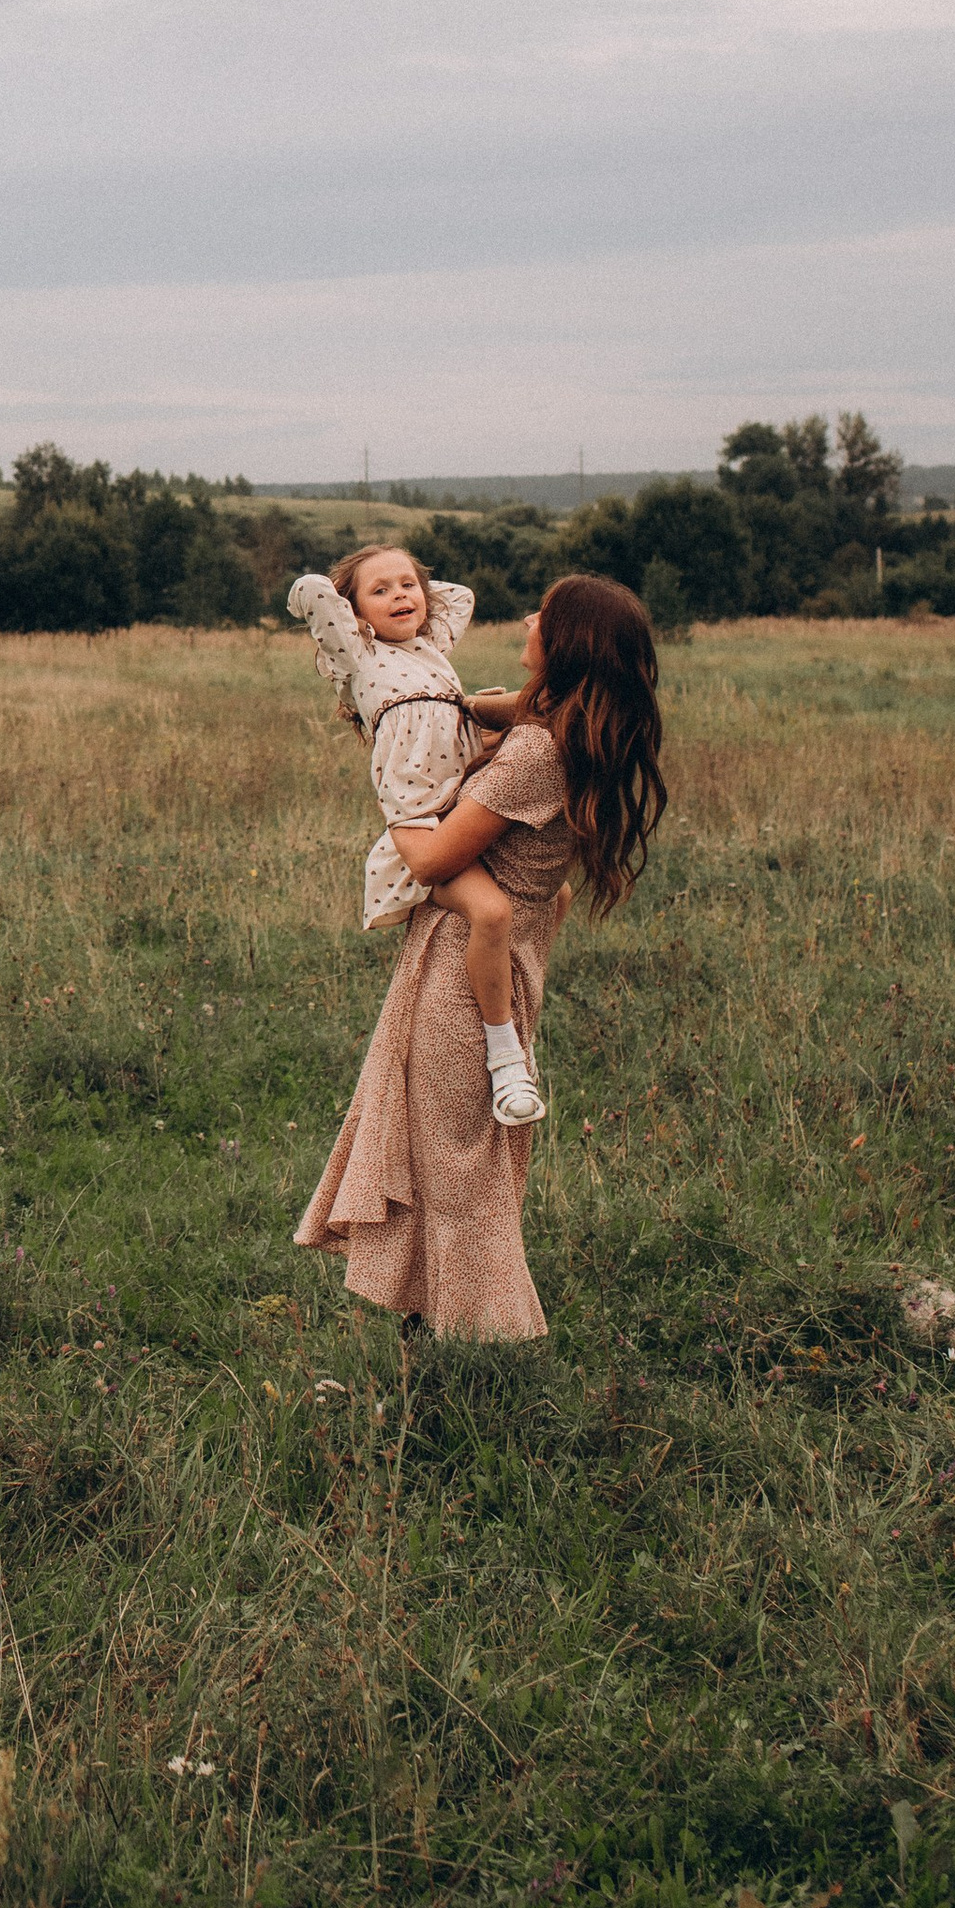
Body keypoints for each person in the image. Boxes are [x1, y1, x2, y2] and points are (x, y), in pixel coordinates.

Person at [293, 574, 665, 1340]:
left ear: (567, 642)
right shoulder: (567, 727)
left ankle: (482, 1335)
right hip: (497, 955)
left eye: (544, 614)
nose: (529, 617)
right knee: (453, 1151)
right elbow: (499, 708)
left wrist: (398, 800)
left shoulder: (534, 753)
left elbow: (433, 862)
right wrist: (435, 706)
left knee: (455, 1161)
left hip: (463, 970)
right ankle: (436, 1334)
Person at [289, 542, 541, 1123]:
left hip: (466, 796)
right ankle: (506, 1060)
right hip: (420, 822)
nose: (401, 596)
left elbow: (459, 596)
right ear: (352, 613)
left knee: (557, 893)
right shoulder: (358, 655)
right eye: (380, 591)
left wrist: (404, 587)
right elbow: (310, 591)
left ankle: (521, 1000)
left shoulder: (430, 648)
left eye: (408, 585)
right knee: (492, 912)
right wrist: (355, 606)